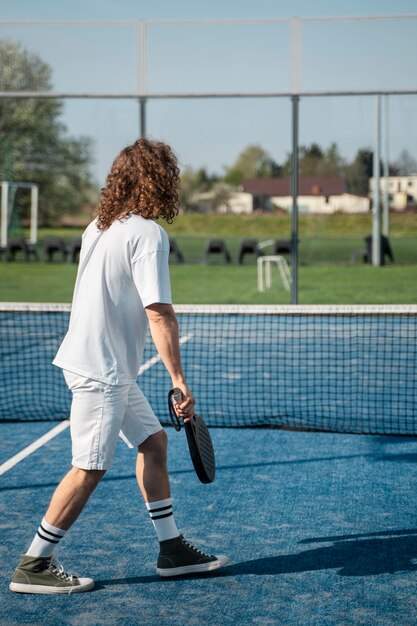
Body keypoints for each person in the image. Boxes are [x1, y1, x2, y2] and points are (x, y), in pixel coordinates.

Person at [9, 138, 229, 594]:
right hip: (102, 369)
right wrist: (178, 380)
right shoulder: (147, 233)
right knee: (88, 467)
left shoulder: (100, 226)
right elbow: (159, 312)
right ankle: (33, 564)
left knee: (153, 443)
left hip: (98, 362)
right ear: (158, 179)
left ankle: (171, 551)